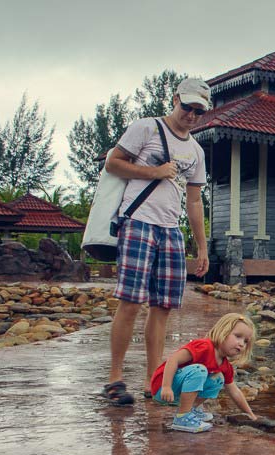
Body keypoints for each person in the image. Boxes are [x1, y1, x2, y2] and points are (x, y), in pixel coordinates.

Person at [102, 77, 212, 405]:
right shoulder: (146, 128)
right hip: (138, 222)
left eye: (198, 111)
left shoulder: (196, 151)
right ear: (175, 99)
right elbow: (113, 162)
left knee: (163, 306)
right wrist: (155, 172)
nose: (191, 115)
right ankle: (115, 379)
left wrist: (201, 245)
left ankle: (154, 380)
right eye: (187, 106)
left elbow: (194, 202)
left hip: (170, 229)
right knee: (131, 302)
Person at [152, 313, 259, 432]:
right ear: (223, 331)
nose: (241, 343)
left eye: (245, 341)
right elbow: (173, 359)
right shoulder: (204, 346)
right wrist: (166, 387)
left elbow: (235, 392)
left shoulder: (225, 365)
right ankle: (182, 417)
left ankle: (190, 409)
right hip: (162, 387)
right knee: (200, 370)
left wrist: (251, 415)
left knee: (218, 379)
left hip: (176, 395)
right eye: (238, 336)